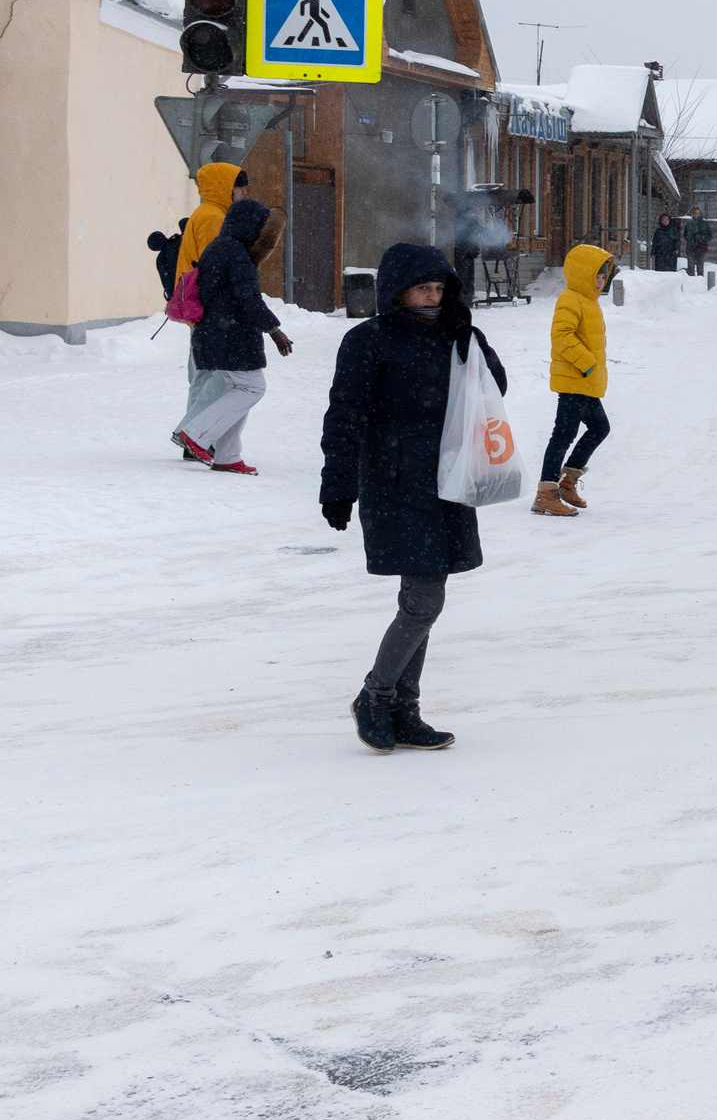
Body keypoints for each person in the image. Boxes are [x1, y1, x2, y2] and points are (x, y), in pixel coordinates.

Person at [320, 243, 505, 754]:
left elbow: (495, 389)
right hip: (394, 479)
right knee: (424, 600)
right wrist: (338, 485)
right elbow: (345, 415)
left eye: (440, 288)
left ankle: (404, 709)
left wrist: (470, 338)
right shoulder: (368, 341)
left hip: (449, 481)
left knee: (424, 597)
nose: (433, 296)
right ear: (396, 289)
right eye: (424, 287)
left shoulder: (455, 334)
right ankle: (375, 698)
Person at [176, 198, 292, 473]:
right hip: (231, 335)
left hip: (215, 333)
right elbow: (249, 298)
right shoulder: (238, 255)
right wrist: (274, 329)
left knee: (237, 390)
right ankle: (196, 434)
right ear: (251, 227)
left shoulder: (217, 248)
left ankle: (228, 455)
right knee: (252, 387)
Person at [170, 162, 249, 452]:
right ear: (226, 188)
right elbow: (216, 268)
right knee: (217, 380)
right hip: (213, 313)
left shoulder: (207, 214)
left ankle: (195, 439)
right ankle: (194, 436)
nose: (244, 192)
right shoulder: (214, 218)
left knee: (204, 378)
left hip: (203, 311)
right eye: (240, 186)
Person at [534, 243, 614, 517]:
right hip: (574, 379)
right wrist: (588, 365)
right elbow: (562, 337)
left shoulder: (589, 302)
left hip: (585, 381)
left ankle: (567, 482)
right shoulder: (570, 299)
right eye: (596, 276)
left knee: (600, 428)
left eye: (604, 277)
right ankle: (545, 494)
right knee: (563, 435)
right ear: (583, 275)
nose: (601, 282)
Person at [682, 206, 713, 277]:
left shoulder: (705, 224)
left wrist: (701, 238)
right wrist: (691, 238)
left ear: (700, 214)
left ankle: (700, 283)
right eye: (695, 213)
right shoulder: (689, 224)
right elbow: (685, 235)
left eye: (698, 213)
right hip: (690, 248)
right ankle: (691, 283)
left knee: (700, 268)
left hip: (701, 248)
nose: (696, 214)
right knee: (690, 267)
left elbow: (710, 236)